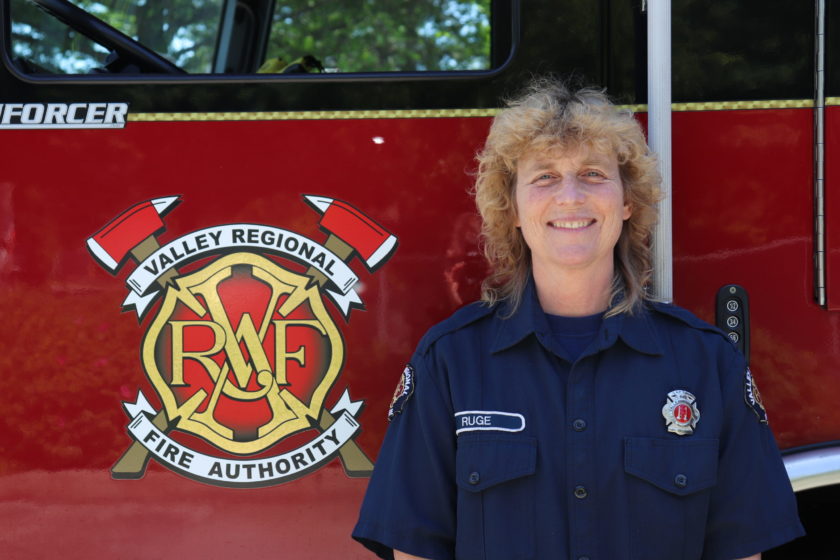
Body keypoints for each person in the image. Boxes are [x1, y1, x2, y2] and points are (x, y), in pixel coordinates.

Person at [352, 78, 804, 560]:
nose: (570, 196)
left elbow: (742, 551)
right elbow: (416, 550)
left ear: (627, 202)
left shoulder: (706, 362)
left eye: (593, 173)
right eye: (544, 176)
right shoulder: (450, 362)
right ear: (515, 210)